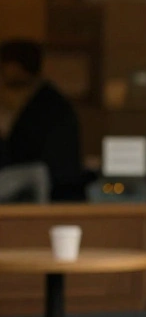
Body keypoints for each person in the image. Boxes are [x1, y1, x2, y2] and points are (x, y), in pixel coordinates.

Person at [0, 39, 85, 201]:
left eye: (4, 65)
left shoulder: (48, 107)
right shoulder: (39, 102)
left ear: (16, 67)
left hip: (49, 195)